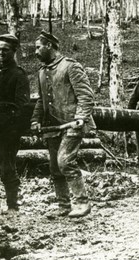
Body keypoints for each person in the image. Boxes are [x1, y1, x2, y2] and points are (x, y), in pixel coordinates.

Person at [31, 31, 96, 218]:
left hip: (72, 123)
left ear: (49, 46)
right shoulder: (42, 72)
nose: (35, 52)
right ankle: (63, 205)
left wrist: (80, 118)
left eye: (38, 47)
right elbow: (40, 100)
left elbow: (86, 96)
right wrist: (35, 120)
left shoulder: (70, 67)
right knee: (54, 166)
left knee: (65, 161)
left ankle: (82, 203)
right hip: (52, 126)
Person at [0, 34, 30, 211]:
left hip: (8, 128)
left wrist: (2, 113)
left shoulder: (19, 75)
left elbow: (21, 106)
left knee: (7, 166)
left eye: (5, 50)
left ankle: (12, 204)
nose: (1, 52)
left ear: (14, 51)